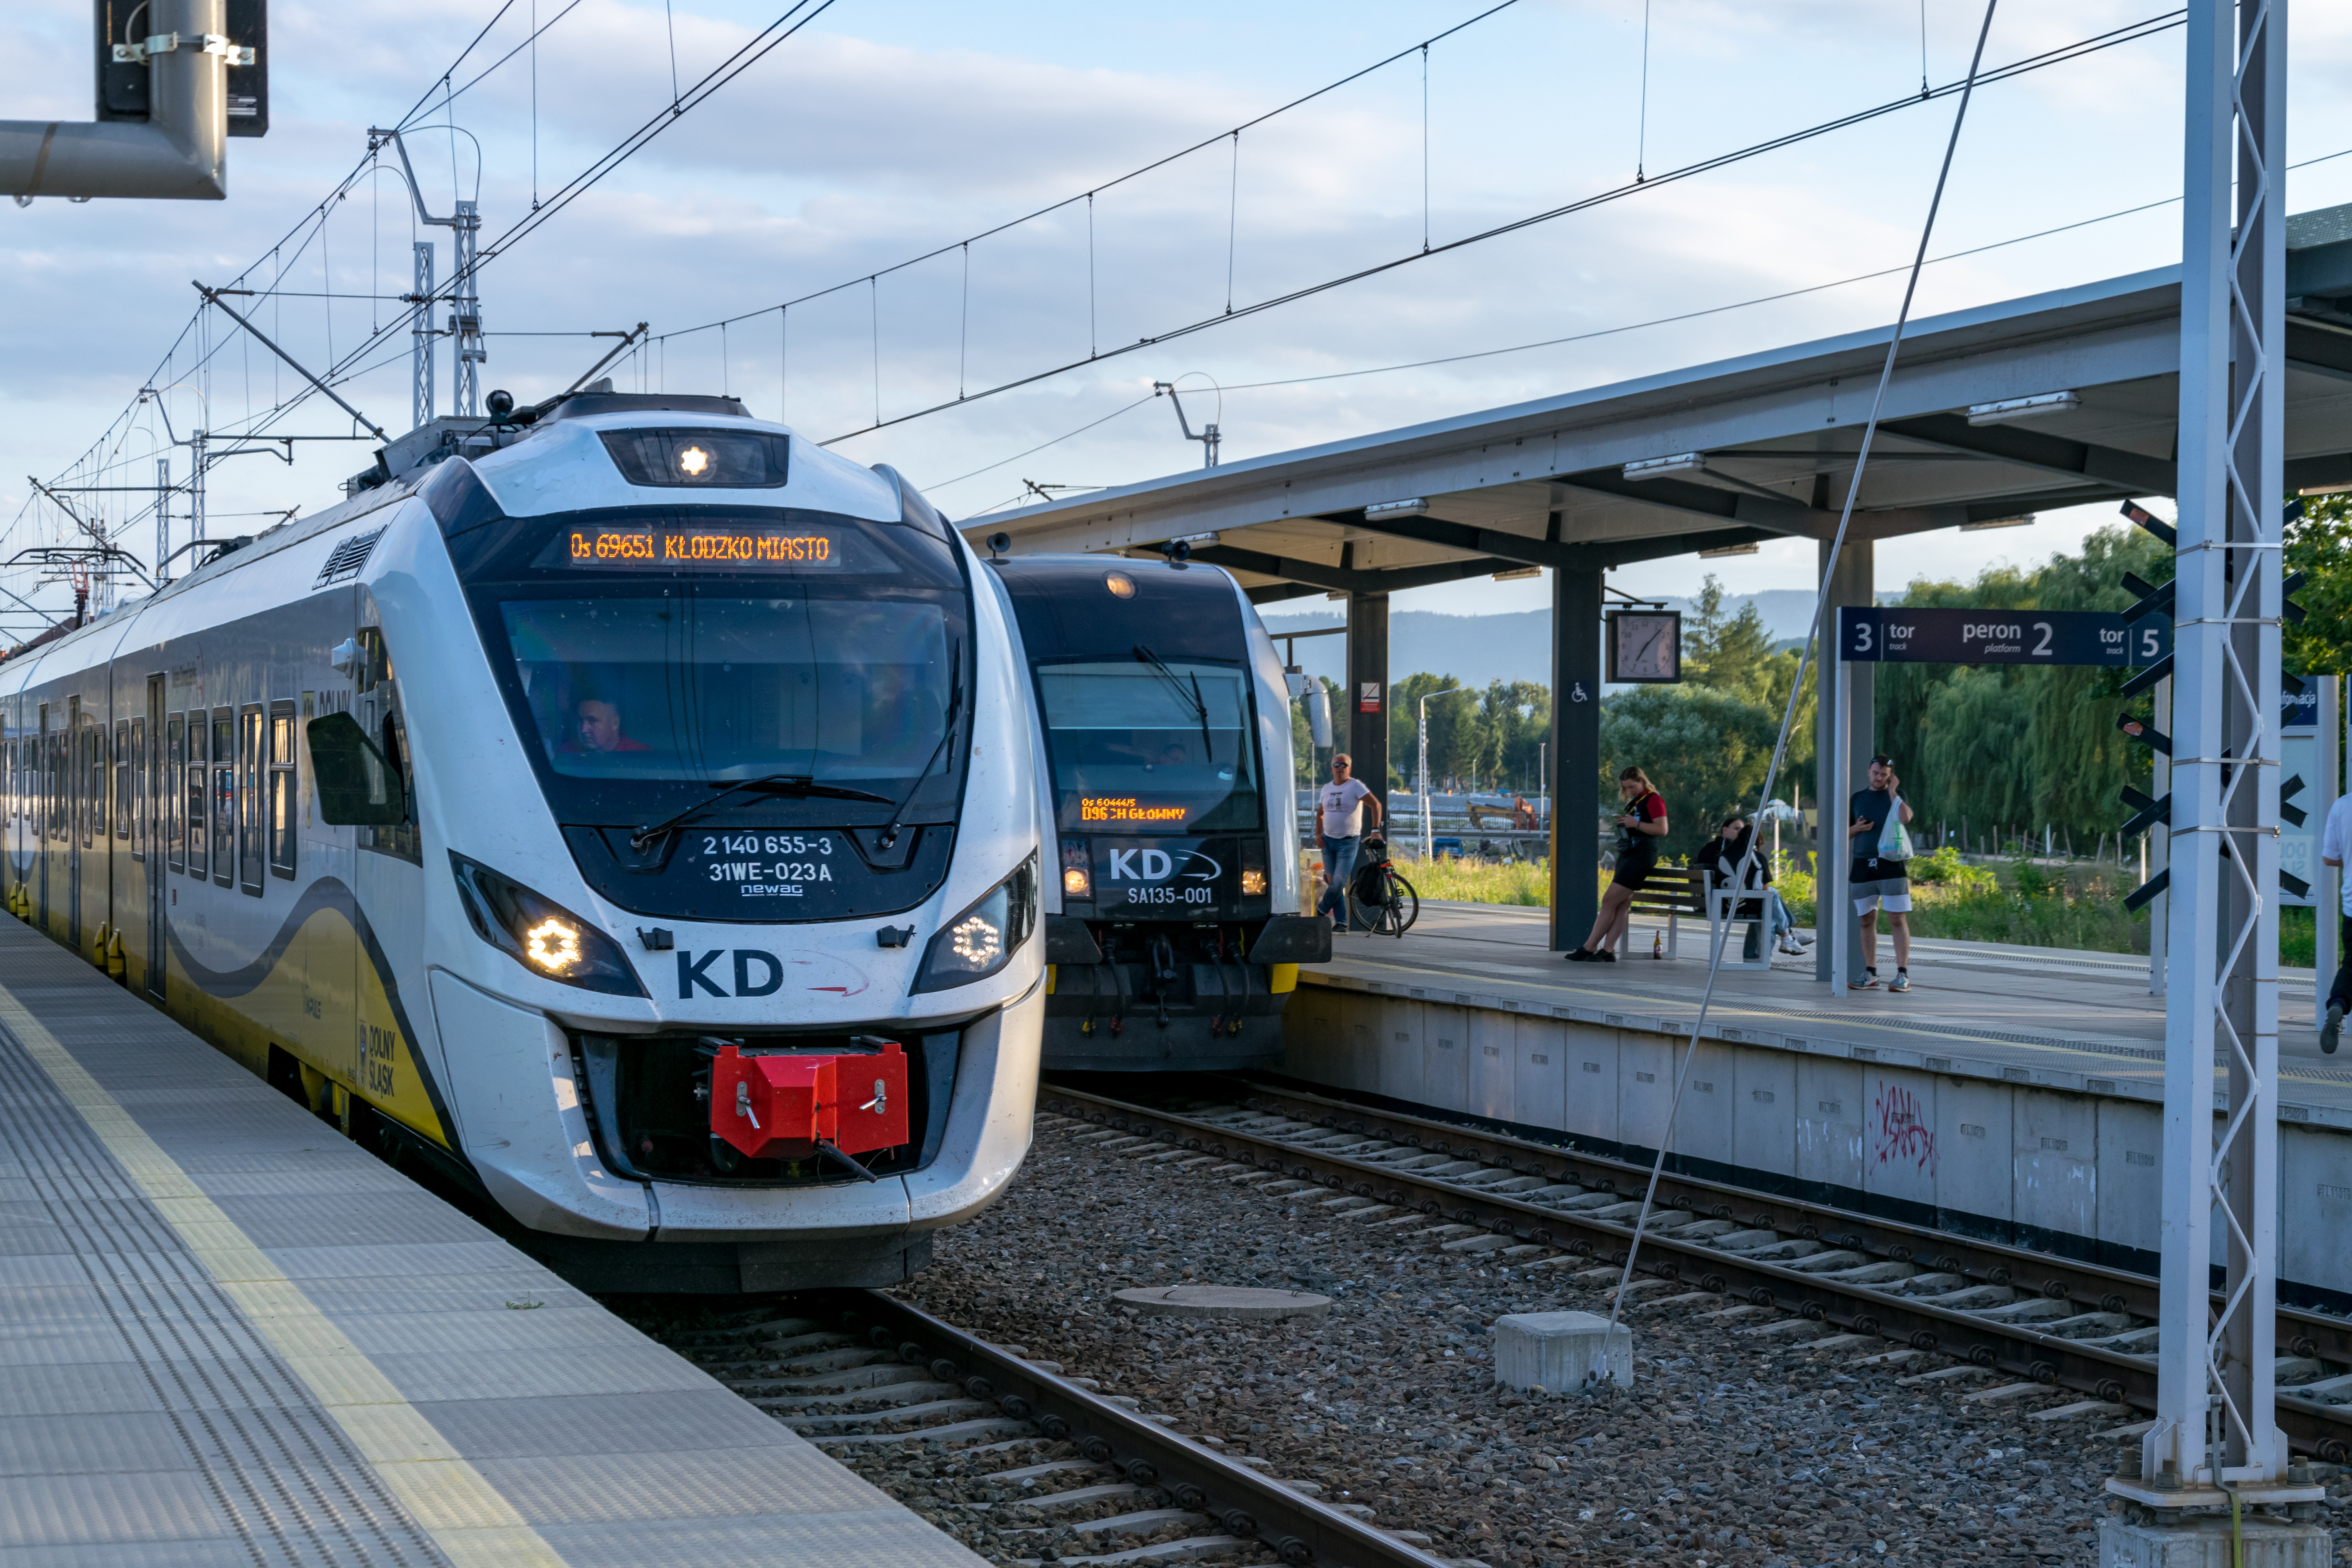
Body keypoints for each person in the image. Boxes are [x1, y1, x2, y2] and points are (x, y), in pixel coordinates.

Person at [1568, 766, 1667, 962]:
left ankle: (1589, 948)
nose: (1630, 791)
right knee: (1621, 906)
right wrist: (1626, 825)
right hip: (1630, 853)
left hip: (1641, 856)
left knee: (1609, 900)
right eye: (1626, 788)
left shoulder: (1653, 799)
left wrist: (1635, 825)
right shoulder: (1637, 802)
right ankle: (1608, 950)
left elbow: (1662, 829)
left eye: (1632, 787)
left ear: (1641, 780)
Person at [1694, 814, 1810, 959]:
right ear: (1757, 841)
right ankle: (1786, 936)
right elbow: (1765, 890)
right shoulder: (1756, 857)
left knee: (1768, 900)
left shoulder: (1723, 855)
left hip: (1722, 902)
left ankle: (1765, 948)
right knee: (1770, 898)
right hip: (1740, 905)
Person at [1847, 754, 1915, 992]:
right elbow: (1842, 834)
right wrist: (1857, 828)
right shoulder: (1857, 798)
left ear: (1891, 776)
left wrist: (1893, 791)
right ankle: (1871, 972)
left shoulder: (1896, 797)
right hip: (1863, 864)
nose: (1879, 779)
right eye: (1876, 774)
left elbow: (1906, 818)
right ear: (1869, 772)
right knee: (1867, 919)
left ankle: (1902, 975)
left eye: (1885, 776)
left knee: (1897, 918)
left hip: (1892, 864)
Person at [1314, 754, 1381, 934]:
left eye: (1344, 765)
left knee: (1338, 883)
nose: (1340, 768)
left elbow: (1376, 805)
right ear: (1332, 769)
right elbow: (1320, 813)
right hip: (1328, 842)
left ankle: (1320, 912)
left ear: (1349, 769)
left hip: (1348, 843)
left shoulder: (1355, 786)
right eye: (1336, 765)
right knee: (1331, 883)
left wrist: (1375, 830)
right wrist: (1318, 834)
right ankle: (1342, 923)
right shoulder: (1326, 788)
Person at [2323, 792, 2351, 1053]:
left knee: (2351, 965)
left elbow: (2330, 858)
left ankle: (2339, 1004)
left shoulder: (2342, 806)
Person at [566, 696, 650, 754]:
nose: (583, 730)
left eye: (592, 721)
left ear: (615, 723)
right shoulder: (565, 754)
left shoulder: (642, 755)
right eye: (580, 721)